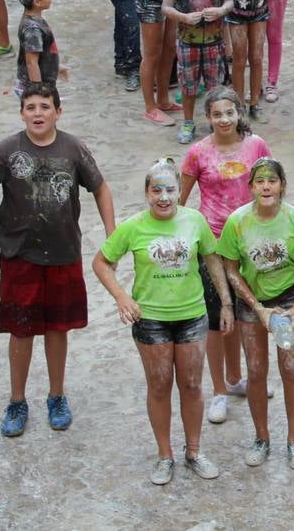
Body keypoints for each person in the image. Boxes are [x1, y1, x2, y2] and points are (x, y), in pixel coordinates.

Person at [0, 82, 115, 437]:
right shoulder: (8, 149)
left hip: (63, 252)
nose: (38, 113)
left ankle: (56, 395)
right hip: (20, 255)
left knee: (58, 327)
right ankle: (17, 400)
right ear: (21, 113)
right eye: (30, 107)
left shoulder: (73, 148)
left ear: (58, 112)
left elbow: (101, 188)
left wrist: (112, 234)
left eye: (45, 106)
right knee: (21, 328)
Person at [93, 160, 229, 484]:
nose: (164, 197)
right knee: (159, 385)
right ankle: (165, 455)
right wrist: (122, 297)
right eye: (157, 190)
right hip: (151, 319)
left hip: (192, 315)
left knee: (193, 385)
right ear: (146, 193)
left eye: (170, 190)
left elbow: (211, 257)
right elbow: (101, 262)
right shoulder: (134, 226)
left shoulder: (195, 221)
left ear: (180, 192)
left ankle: (194, 451)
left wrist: (225, 302)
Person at [218, 158, 294, 470]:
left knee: (290, 369)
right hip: (251, 302)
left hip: (289, 298)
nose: (266, 186)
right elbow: (231, 268)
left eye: (272, 181)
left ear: (282, 186)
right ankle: (262, 438)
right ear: (250, 187)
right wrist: (257, 307)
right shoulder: (237, 222)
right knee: (257, 371)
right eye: (259, 181)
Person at [177, 86, 269, 422]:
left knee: (245, 316)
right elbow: (180, 203)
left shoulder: (256, 145)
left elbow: (268, 185)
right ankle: (217, 389)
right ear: (207, 118)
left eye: (230, 112)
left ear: (239, 112)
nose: (224, 119)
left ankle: (235, 378)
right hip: (212, 245)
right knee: (217, 321)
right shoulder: (198, 153)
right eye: (217, 114)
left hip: (249, 242)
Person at [163, 0, 233, 144]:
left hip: (214, 41)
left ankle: (215, 123)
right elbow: (166, 7)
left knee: (215, 84)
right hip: (187, 42)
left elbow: (229, 1)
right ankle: (188, 121)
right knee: (188, 85)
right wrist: (183, 17)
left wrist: (220, 11)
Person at [14, 0, 60, 96]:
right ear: (37, 2)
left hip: (40, 84)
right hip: (35, 87)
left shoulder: (35, 20)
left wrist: (56, 67)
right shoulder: (32, 29)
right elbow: (31, 62)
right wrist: (38, 92)